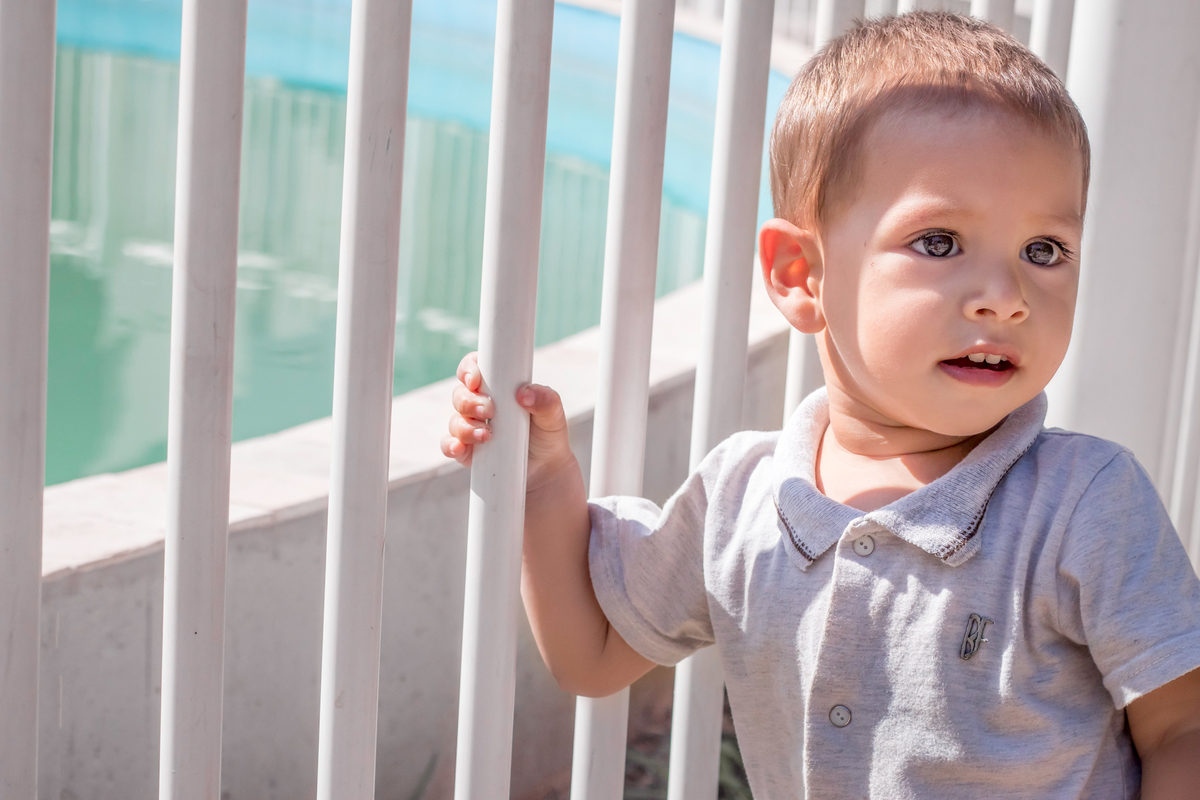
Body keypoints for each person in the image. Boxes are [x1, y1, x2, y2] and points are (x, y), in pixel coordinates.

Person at [442, 11, 1200, 797]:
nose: (1006, 297)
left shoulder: (1084, 504)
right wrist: (540, 482)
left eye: (1044, 250)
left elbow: (1183, 726)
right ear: (800, 274)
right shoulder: (742, 501)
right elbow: (592, 654)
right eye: (940, 242)